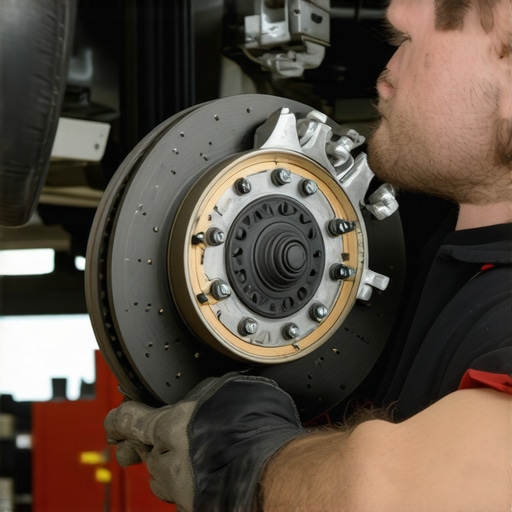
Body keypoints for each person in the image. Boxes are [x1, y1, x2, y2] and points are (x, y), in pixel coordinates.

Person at [104, 0, 512, 510]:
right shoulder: (440, 246)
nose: (400, 13)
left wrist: (250, 458)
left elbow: (438, 488)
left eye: (454, 12)